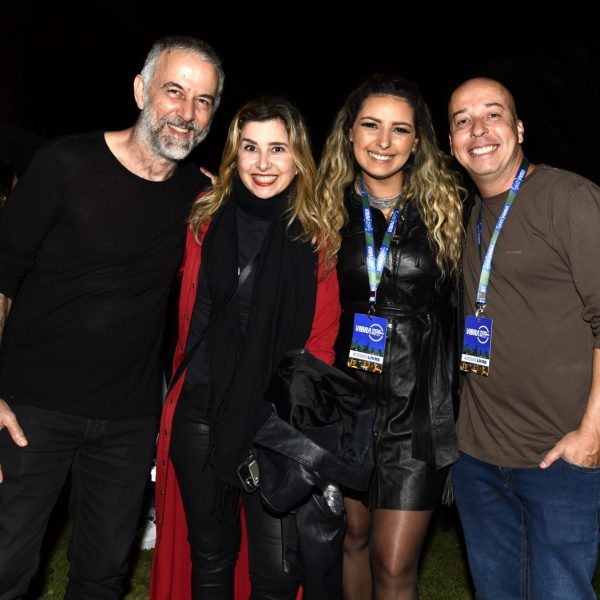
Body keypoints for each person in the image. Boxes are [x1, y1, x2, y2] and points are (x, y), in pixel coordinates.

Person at [0, 35, 224, 599]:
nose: (187, 113)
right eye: (175, 91)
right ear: (141, 90)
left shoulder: (200, 197)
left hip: (127, 422)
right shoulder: (63, 164)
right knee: (6, 566)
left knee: (102, 576)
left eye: (204, 101)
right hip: (31, 410)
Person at [150, 97, 341, 600]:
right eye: (250, 148)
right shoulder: (204, 220)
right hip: (202, 415)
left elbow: (321, 343)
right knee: (211, 557)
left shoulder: (317, 236)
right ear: (234, 154)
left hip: (276, 425)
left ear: (299, 157)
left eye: (277, 149)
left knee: (277, 573)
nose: (262, 163)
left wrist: (299, 428)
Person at [448, 77, 600, 600]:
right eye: (462, 120)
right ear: (451, 143)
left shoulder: (569, 197)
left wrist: (592, 435)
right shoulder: (471, 217)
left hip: (559, 459)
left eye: (493, 114)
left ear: (517, 128)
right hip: (479, 461)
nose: (478, 129)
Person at [316, 74, 463, 599]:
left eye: (399, 130)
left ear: (417, 140)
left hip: (417, 413)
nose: (383, 142)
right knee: (353, 538)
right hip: (347, 404)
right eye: (371, 126)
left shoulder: (447, 211)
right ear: (349, 133)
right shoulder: (324, 208)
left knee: (394, 562)